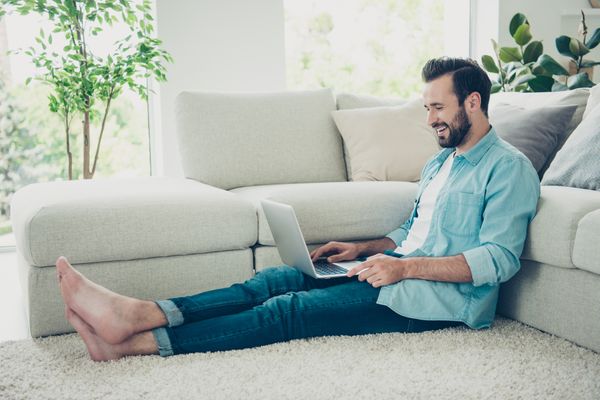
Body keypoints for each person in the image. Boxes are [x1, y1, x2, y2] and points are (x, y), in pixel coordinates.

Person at [56, 57, 540, 361]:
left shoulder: (508, 169)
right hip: (393, 270)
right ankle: (145, 312)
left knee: (289, 311)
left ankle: (138, 341)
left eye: (438, 107)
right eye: (427, 108)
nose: (429, 119)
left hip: (436, 302)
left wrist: (403, 268)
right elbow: (414, 229)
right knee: (273, 280)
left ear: (472, 102)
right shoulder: (441, 163)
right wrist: (364, 249)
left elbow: (497, 261)